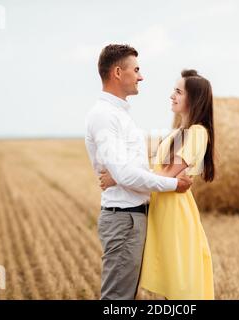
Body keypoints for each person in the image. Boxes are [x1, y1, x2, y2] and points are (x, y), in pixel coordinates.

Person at [84, 44, 193, 300]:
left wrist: (193, 123)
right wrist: (174, 185)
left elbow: (130, 167)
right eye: (137, 70)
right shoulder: (104, 116)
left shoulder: (121, 116)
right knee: (117, 301)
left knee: (126, 298)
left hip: (133, 218)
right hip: (124, 219)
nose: (141, 76)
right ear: (118, 72)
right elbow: (125, 174)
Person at [100, 69, 216, 299]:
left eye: (178, 91)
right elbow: (161, 173)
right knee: (169, 281)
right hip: (162, 208)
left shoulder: (198, 133)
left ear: (194, 99)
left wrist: (118, 175)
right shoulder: (178, 133)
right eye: (174, 90)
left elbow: (168, 174)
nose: (172, 95)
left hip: (175, 213)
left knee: (179, 284)